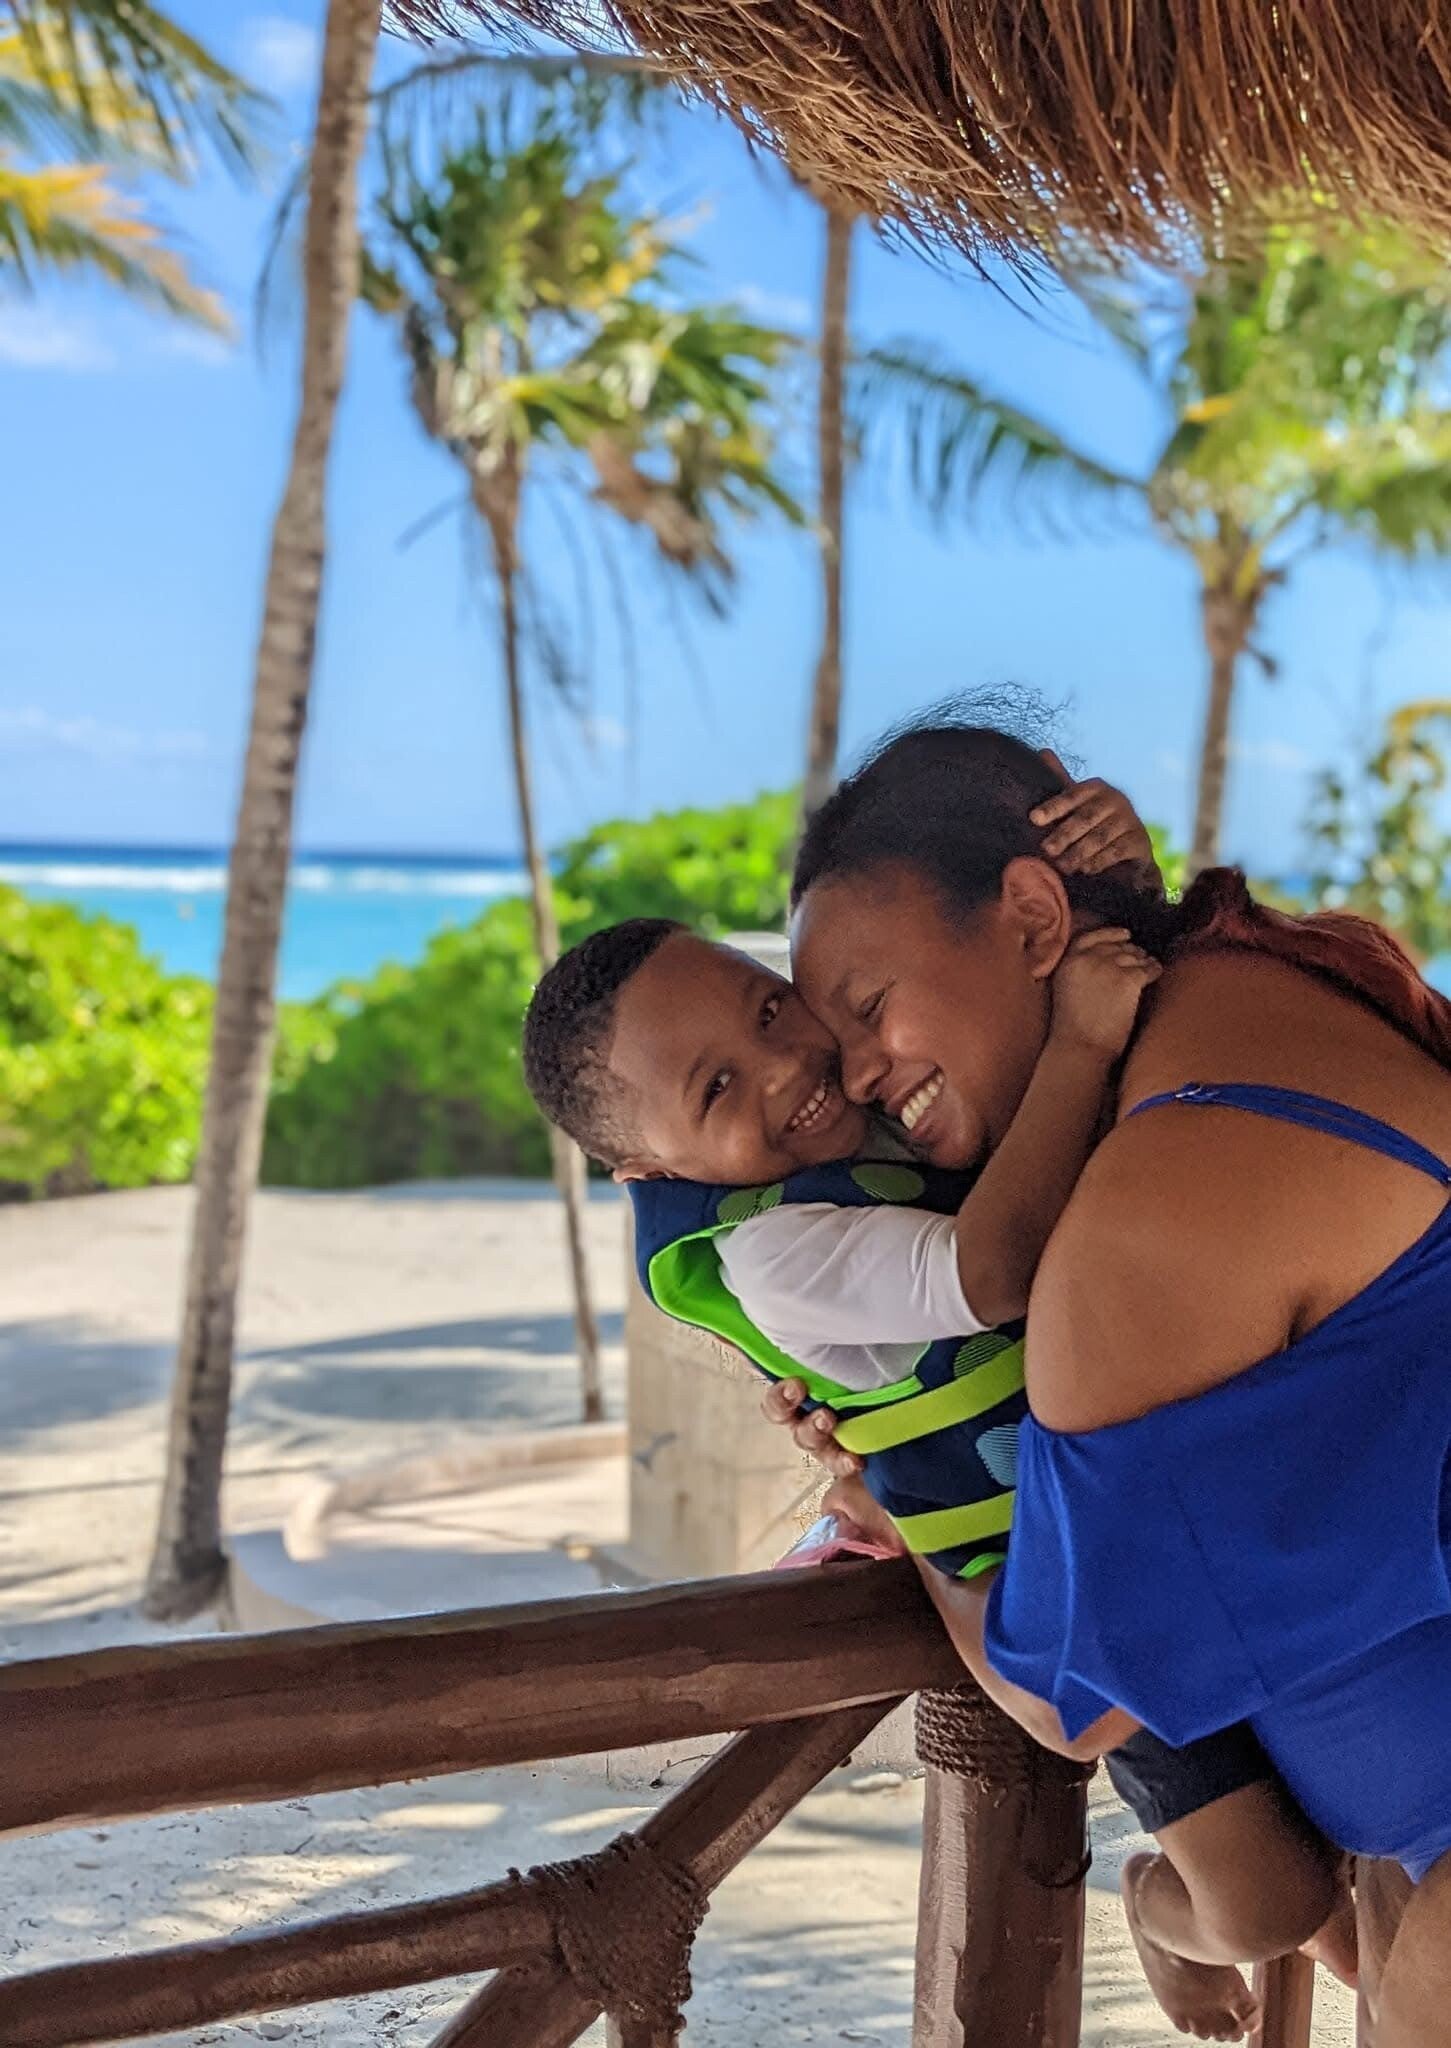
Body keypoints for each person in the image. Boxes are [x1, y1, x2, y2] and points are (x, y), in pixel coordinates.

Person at [522, 768, 1351, 2043]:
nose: (787, 1067)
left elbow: (984, 974)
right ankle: (1152, 1904)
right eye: (715, 1090)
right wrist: (1078, 1037)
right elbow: (993, 1262)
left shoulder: (871, 1117)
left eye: (769, 1009)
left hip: (1175, 1510)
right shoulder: (773, 1252)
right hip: (1064, 1595)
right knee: (1268, 1902)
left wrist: (1113, 878)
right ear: (646, 1169)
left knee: (1350, 1890)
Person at [773, 705, 1451, 2048]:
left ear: (1033, 918)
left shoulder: (1137, 1248)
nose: (850, 1073)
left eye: (867, 1006)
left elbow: (1067, 1698)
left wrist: (897, 1493)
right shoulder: (1290, 985)